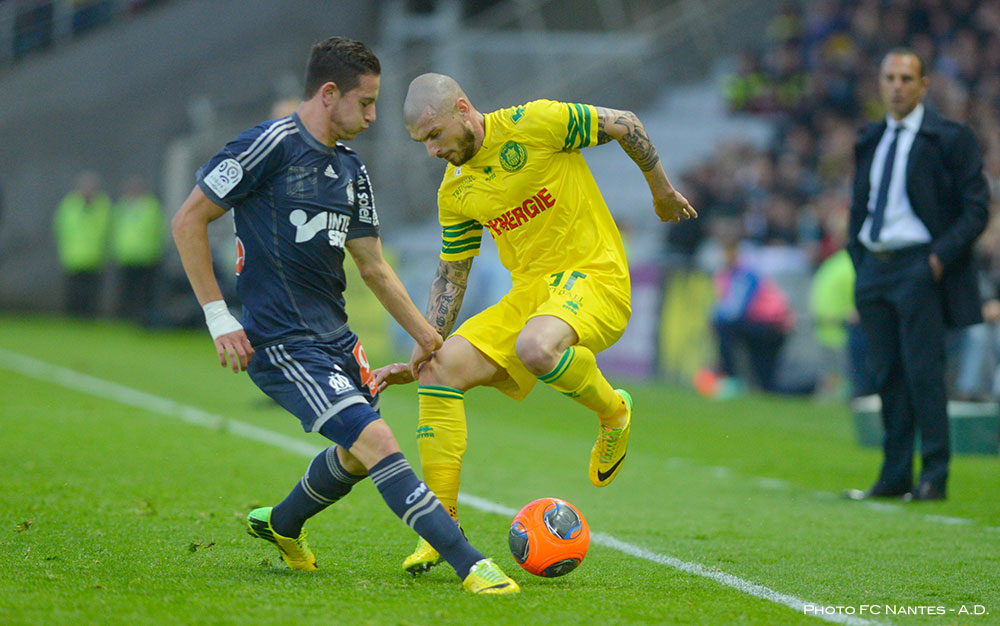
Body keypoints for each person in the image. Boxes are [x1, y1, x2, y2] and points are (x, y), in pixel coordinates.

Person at [170, 37, 518, 594]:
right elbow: (189, 219)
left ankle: (282, 524)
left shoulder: (351, 169)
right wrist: (219, 317)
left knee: (356, 458)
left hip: (336, 339)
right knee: (379, 443)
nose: (374, 116)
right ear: (329, 94)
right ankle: (473, 566)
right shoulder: (268, 146)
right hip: (281, 341)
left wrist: (430, 341)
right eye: (367, 102)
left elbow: (374, 268)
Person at [374, 73, 696, 574]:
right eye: (423, 143)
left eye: (435, 135)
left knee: (536, 346)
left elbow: (624, 123)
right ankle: (440, 530)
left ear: (463, 109)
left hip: (594, 277)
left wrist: (662, 191)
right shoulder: (455, 191)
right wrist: (425, 343)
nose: (432, 151)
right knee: (438, 371)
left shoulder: (536, 123)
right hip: (530, 296)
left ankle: (614, 412)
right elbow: (452, 275)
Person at [843, 49, 989, 502]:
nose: (897, 86)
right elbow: (861, 204)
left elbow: (977, 207)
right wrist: (858, 254)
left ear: (924, 85)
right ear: (880, 83)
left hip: (918, 265)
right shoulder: (870, 138)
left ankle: (934, 475)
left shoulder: (949, 138)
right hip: (874, 265)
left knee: (924, 373)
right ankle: (894, 475)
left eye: (906, 78)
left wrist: (938, 258)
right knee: (886, 374)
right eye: (890, 77)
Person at [53, 171, 112, 318]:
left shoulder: (102, 206)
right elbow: (61, 228)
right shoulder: (70, 205)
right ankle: (72, 315)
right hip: (74, 255)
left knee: (91, 291)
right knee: (74, 290)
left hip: (94, 256)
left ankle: (89, 316)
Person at [111, 176, 165, 323]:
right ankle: (126, 316)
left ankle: (145, 317)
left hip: (146, 255)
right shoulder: (122, 207)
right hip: (127, 255)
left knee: (146, 291)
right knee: (127, 290)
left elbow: (157, 230)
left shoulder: (151, 206)